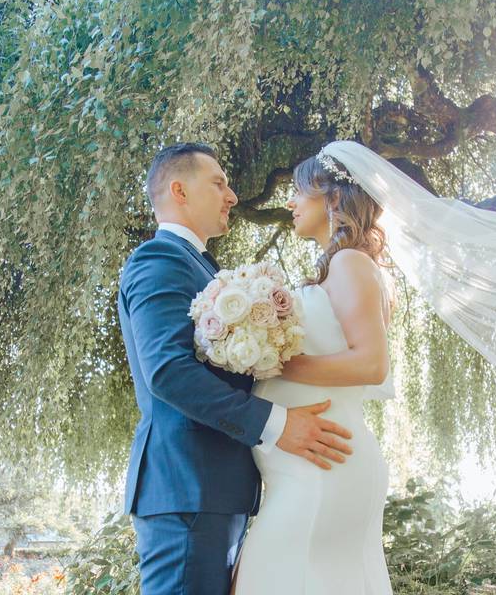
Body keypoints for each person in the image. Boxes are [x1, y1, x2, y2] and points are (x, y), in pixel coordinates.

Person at [116, 143, 354, 595]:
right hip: (188, 486)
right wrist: (277, 424)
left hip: (215, 489)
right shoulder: (159, 259)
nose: (232, 195)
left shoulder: (205, 269)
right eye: (219, 183)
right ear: (179, 190)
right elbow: (167, 372)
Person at [232, 150, 396, 594]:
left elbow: (371, 363)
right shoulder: (339, 267)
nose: (290, 203)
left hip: (325, 464)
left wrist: (277, 361)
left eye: (299, 191)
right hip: (307, 465)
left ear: (333, 197)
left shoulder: (351, 263)